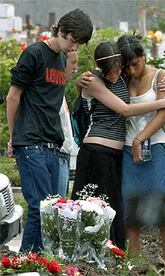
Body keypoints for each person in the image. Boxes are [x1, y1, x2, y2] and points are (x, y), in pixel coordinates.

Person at [71, 41, 165, 250]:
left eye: (119, 68)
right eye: (109, 71)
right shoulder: (94, 79)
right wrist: (164, 103)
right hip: (97, 152)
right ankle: (90, 264)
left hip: (118, 154)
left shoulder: (123, 76)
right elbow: (125, 110)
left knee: (116, 212)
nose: (115, 74)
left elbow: (155, 74)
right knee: (96, 212)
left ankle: (120, 263)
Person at [6, 9, 93, 253]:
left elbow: (53, 102)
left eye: (78, 43)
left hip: (52, 144)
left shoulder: (61, 60)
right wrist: (14, 135)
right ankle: (26, 261)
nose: (73, 46)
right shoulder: (34, 53)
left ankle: (40, 260)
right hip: (31, 141)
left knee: (52, 207)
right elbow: (13, 97)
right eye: (72, 40)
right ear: (61, 30)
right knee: (39, 206)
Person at [118, 34, 165, 272]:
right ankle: (134, 267)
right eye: (127, 65)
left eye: (136, 63)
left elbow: (163, 112)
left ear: (143, 56)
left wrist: (140, 138)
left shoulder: (160, 77)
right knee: (131, 216)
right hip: (129, 152)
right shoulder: (121, 79)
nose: (132, 70)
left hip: (158, 148)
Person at [57, 51, 78, 197]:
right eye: (73, 63)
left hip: (64, 156)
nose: (76, 68)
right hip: (58, 155)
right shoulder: (52, 92)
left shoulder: (61, 90)